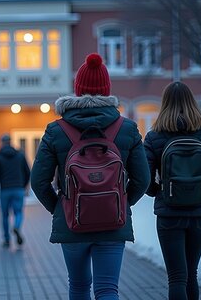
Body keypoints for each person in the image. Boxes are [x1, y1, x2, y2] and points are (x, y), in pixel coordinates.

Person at [31, 53, 150, 299]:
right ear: (107, 90)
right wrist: (119, 203)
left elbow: (38, 181)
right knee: (108, 289)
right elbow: (143, 179)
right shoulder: (126, 129)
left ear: (77, 90)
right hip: (113, 221)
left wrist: (61, 208)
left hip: (72, 224)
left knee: (78, 286)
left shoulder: (56, 130)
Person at [144, 81, 201, 300]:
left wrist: (157, 191)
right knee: (191, 275)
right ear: (192, 103)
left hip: (169, 214)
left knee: (176, 277)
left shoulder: (155, 137)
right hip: (199, 214)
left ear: (164, 105)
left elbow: (144, 177)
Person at [0, 133, 30, 248]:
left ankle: (7, 239)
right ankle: (17, 226)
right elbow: (27, 172)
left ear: (2, 143)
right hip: (18, 189)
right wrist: (23, 185)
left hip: (5, 190)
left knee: (4, 215)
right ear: (11, 141)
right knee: (18, 212)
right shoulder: (20, 155)